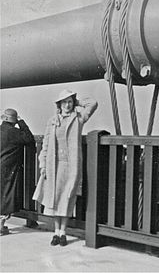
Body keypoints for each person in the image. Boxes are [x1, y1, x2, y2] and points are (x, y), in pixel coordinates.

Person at [33, 89, 98, 246]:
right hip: (54, 166)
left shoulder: (78, 118)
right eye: (64, 102)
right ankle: (56, 232)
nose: (67, 105)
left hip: (71, 166)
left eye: (70, 102)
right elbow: (46, 145)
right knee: (55, 199)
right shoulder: (52, 121)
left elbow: (93, 103)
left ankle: (63, 232)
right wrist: (43, 164)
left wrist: (78, 102)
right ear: (59, 104)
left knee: (68, 198)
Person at [0, 108, 35, 235]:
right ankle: (0, 226)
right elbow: (29, 138)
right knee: (6, 196)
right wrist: (21, 122)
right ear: (13, 120)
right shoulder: (13, 132)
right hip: (9, 169)